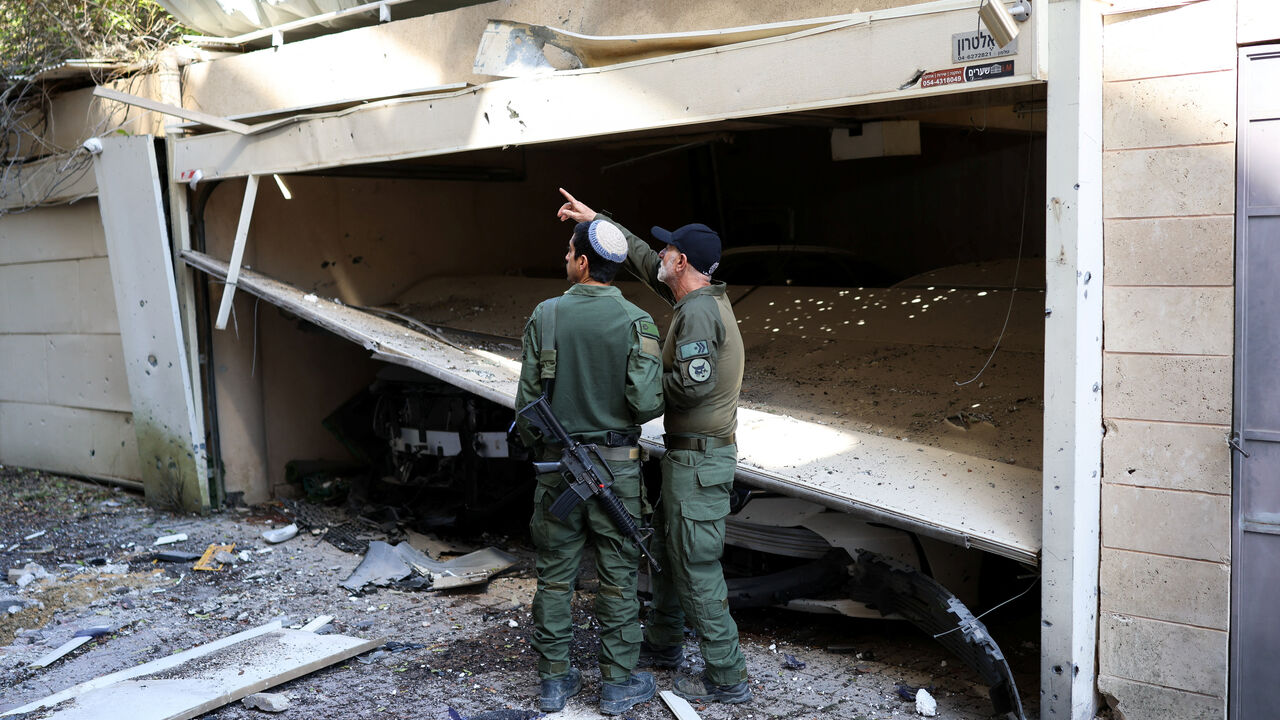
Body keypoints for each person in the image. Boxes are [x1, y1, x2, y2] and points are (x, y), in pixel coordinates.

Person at [556, 188, 752, 705]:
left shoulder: (700, 317)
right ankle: (664, 645)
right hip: (689, 457)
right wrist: (600, 221)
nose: (659, 254)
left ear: (682, 261)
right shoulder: (697, 301)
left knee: (695, 566)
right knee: (668, 552)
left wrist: (624, 386)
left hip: (700, 461)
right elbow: (644, 262)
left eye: (668, 249)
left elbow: (689, 387)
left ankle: (726, 677)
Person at [514, 217, 666, 715]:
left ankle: (554, 682)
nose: (564, 258)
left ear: (583, 262)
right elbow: (645, 406)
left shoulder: (547, 315)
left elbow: (527, 406)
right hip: (617, 472)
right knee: (620, 579)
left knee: (555, 579)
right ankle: (616, 686)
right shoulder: (638, 321)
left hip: (560, 467)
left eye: (568, 251)